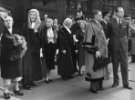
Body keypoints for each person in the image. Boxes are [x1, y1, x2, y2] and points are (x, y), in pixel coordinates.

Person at [1, 16, 27, 99]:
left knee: (17, 74)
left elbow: (23, 40)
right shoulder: (2, 33)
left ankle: (16, 89)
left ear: (13, 22)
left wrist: (22, 43)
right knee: (7, 76)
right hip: (7, 57)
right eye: (7, 21)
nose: (8, 22)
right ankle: (6, 91)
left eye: (10, 20)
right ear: (4, 23)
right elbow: (3, 46)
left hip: (17, 56)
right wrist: (15, 43)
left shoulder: (17, 31)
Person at [108, 7, 134, 89]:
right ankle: (115, 82)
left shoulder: (125, 22)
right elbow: (108, 35)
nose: (123, 13)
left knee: (125, 65)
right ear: (116, 13)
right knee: (115, 65)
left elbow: (127, 35)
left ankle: (126, 83)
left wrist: (126, 45)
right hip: (114, 47)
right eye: (121, 11)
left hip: (123, 48)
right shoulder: (110, 22)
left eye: (123, 11)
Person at [84, 9, 108, 93]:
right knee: (94, 68)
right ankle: (93, 87)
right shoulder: (90, 25)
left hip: (102, 50)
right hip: (95, 51)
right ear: (95, 16)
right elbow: (89, 39)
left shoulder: (99, 24)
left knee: (100, 68)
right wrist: (95, 50)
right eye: (100, 15)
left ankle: (99, 85)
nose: (101, 16)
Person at [22, 9, 42, 89]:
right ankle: (25, 83)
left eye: (34, 15)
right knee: (27, 66)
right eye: (31, 14)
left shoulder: (39, 25)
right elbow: (24, 37)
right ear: (28, 16)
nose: (32, 16)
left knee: (34, 66)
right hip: (28, 49)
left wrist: (36, 32)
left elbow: (41, 38)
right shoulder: (25, 25)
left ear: (37, 16)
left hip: (36, 49)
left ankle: (31, 80)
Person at [41, 18, 57, 83]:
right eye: (47, 22)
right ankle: (46, 78)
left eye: (50, 22)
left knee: (51, 62)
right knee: (46, 62)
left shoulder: (54, 29)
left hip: (52, 47)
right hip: (46, 47)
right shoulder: (43, 30)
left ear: (52, 23)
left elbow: (56, 38)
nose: (48, 23)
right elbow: (42, 38)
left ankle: (49, 76)